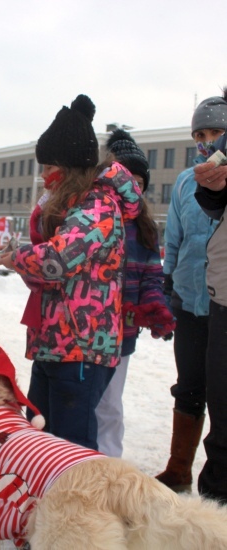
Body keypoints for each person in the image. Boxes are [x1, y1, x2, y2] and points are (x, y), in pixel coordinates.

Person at [0, 94, 142, 450]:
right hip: (55, 342)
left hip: (83, 346)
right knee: (39, 438)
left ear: (70, 167)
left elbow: (59, 260)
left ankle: (80, 507)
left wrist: (19, 257)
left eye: (48, 168)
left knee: (71, 447)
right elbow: (50, 275)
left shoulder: (98, 206)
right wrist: (20, 260)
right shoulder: (72, 206)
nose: (44, 178)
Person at [155, 92, 227, 493]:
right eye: (199, 133)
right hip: (189, 300)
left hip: (223, 302)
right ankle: (178, 469)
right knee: (189, 386)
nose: (206, 140)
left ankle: (217, 477)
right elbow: (175, 239)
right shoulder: (185, 181)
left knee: (222, 394)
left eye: (215, 132)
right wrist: (167, 284)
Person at [96, 129, 175, 457]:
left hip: (123, 331)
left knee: (110, 403)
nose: (134, 187)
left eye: (140, 182)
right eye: (128, 178)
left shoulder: (145, 228)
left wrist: (155, 307)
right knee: (84, 399)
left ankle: (109, 462)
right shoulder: (93, 218)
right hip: (90, 327)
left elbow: (151, 277)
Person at [192, 126, 227, 504]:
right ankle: (216, 521)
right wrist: (213, 188)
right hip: (224, 295)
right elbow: (213, 204)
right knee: (222, 410)